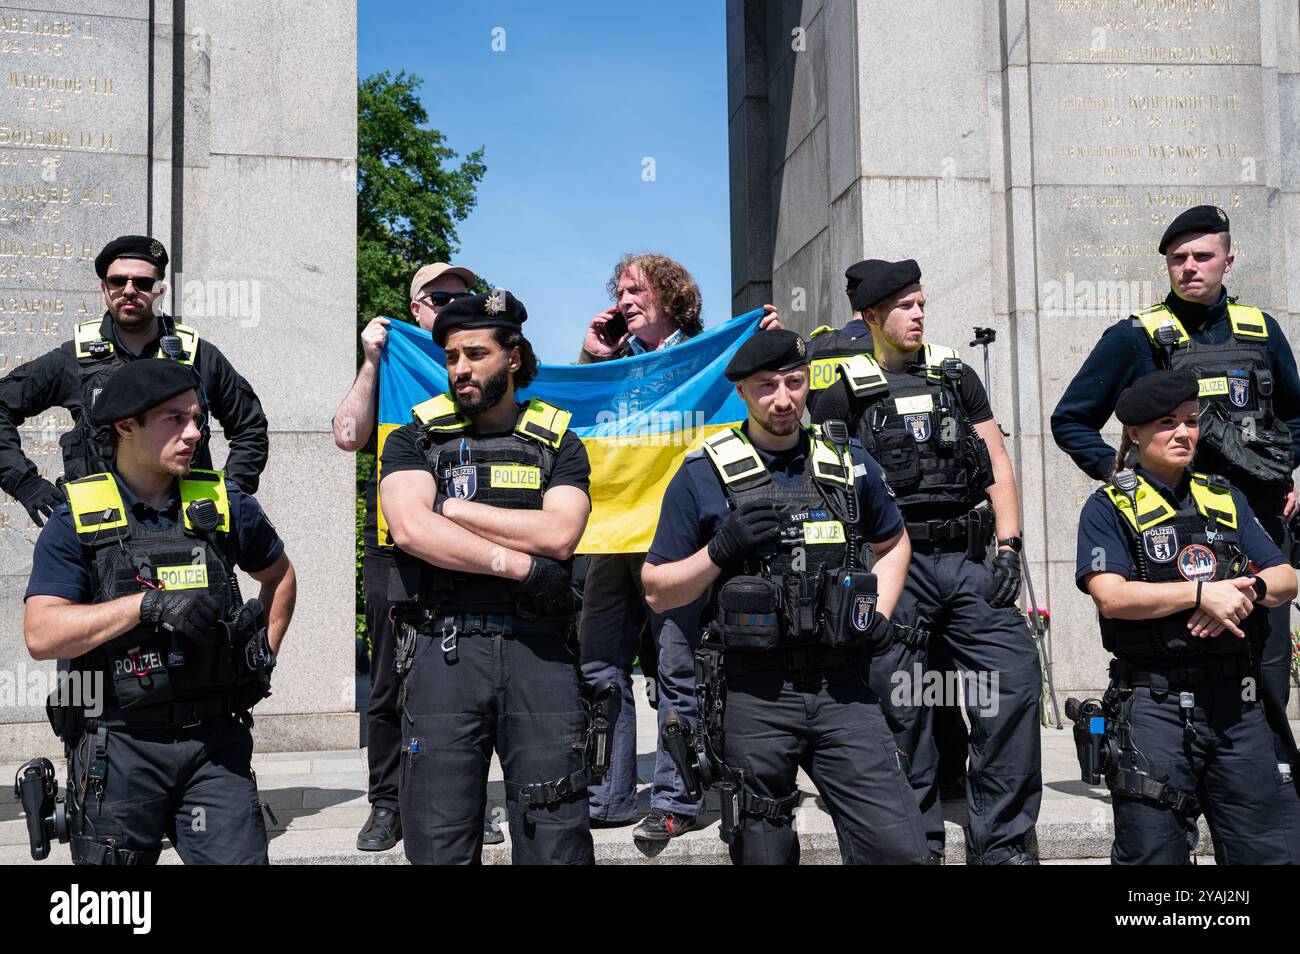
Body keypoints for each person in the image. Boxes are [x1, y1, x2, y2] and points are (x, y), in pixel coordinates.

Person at [642, 329, 928, 865]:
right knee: (764, 852)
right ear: (743, 394)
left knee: (897, 845)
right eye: (766, 386)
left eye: (794, 383)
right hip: (754, 694)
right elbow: (657, 589)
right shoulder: (702, 473)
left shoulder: (849, 460)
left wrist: (879, 615)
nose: (782, 399)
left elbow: (892, 542)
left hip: (842, 686)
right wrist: (719, 551)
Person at [1051, 204, 1300, 812]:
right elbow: (1071, 418)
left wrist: (1291, 471)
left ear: (1228, 260)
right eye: (1177, 259)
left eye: (1202, 256)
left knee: (1263, 666)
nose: (1189, 268)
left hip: (1256, 522)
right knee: (1184, 654)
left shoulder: (1261, 329)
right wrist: (1124, 478)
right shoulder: (1136, 336)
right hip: (1173, 533)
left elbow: (1293, 413)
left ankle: (1268, 788)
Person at [812, 259, 1042, 864]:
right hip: (894, 564)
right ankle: (919, 845)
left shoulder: (955, 375)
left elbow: (995, 461)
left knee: (1012, 680)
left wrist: (1010, 548)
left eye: (921, 303)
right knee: (902, 705)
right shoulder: (839, 389)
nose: (919, 314)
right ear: (871, 317)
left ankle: (1003, 845)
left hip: (969, 560)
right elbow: (829, 487)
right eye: (905, 306)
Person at [22, 358, 296, 864]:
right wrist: (144, 605)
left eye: (198, 418)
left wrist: (263, 655)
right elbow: (42, 634)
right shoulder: (76, 520)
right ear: (126, 426)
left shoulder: (224, 504)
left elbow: (279, 576)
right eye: (175, 419)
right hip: (119, 745)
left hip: (214, 743)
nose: (194, 433)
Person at [380, 289, 603, 864]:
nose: (460, 369)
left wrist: (454, 512)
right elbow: (409, 529)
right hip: (444, 650)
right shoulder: (415, 439)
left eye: (476, 354)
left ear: (514, 357)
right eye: (452, 356)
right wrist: (519, 564)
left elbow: (559, 534)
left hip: (541, 654)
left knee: (555, 837)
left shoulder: (560, 444)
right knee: (439, 838)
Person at [574, 252, 779, 841]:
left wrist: (758, 338)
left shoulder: (709, 357)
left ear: (670, 295)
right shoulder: (613, 365)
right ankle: (605, 794)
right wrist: (592, 355)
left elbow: (763, 389)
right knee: (598, 664)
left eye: (637, 290)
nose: (624, 300)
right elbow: (574, 416)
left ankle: (676, 797)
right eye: (619, 290)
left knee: (676, 668)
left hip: (681, 541)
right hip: (614, 543)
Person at [1074, 369, 1297, 863]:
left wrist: (1247, 591)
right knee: (1153, 857)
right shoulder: (1108, 507)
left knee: (1270, 851)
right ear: (1134, 432)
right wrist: (1200, 595)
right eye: (1167, 423)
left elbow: (1285, 577)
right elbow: (1111, 596)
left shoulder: (1224, 496)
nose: (1183, 434)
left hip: (1237, 705)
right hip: (1155, 705)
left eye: (1192, 422)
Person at [331, 260, 487, 851]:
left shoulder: (486, 363)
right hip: (396, 549)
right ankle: (387, 803)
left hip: (474, 542)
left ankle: (472, 800)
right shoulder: (394, 360)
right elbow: (347, 435)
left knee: (474, 676)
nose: (451, 306)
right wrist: (371, 359)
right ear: (416, 307)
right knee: (391, 680)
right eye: (440, 297)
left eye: (463, 297)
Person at [0, 235, 270, 528]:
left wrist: (229, 495)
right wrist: (25, 482)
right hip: (100, 533)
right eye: (117, 282)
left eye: (142, 283)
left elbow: (250, 427)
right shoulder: (74, 358)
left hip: (187, 529)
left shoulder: (197, 356)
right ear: (104, 288)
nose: (129, 291)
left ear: (160, 291)